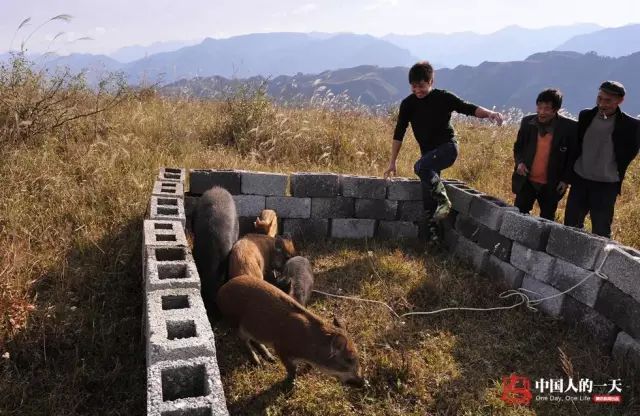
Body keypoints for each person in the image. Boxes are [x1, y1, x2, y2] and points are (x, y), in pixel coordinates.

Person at [383, 61, 503, 242]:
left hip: (447, 148)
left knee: (420, 167)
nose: (417, 91)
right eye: (413, 87)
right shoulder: (408, 104)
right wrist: (392, 162)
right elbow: (399, 132)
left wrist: (490, 114)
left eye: (421, 86)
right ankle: (433, 241)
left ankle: (444, 200)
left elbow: (467, 107)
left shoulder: (443, 97)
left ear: (431, 81)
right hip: (429, 158)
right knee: (428, 199)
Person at [564, 81, 640, 238]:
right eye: (599, 98)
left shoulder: (631, 125)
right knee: (570, 228)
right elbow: (576, 145)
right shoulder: (586, 116)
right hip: (580, 181)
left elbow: (629, 153)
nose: (601, 104)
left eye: (607, 100)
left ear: (620, 101)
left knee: (601, 232)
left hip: (606, 186)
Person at [512, 89, 577, 220]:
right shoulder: (527, 123)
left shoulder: (569, 127)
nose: (541, 112)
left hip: (552, 184)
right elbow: (518, 147)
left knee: (546, 219)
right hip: (527, 180)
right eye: (539, 107)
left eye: (547, 109)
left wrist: (565, 180)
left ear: (556, 109)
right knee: (518, 216)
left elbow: (572, 156)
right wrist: (519, 163)